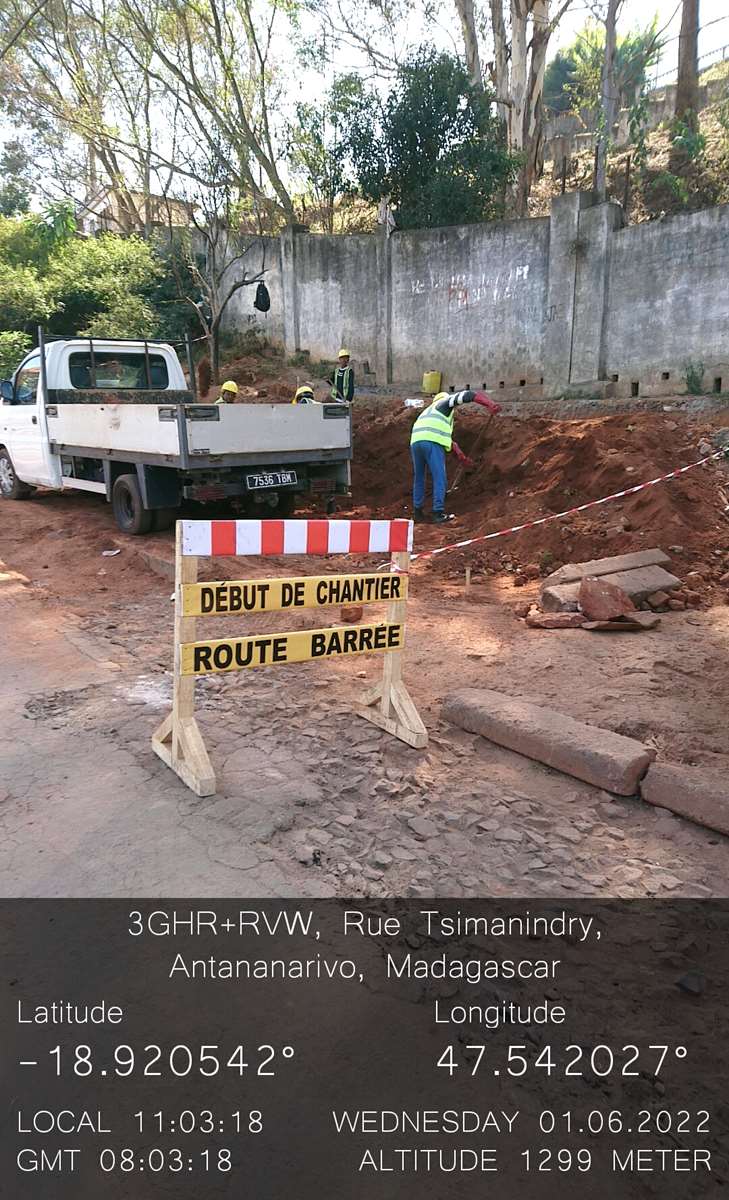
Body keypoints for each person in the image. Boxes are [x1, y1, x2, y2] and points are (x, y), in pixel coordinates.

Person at [410, 389, 501, 523]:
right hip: (431, 442)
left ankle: (417, 513)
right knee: (439, 477)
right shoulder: (444, 403)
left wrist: (462, 457)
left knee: (419, 477)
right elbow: (468, 395)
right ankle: (438, 513)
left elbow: (448, 440)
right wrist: (489, 404)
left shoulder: (428, 413)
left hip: (416, 442)